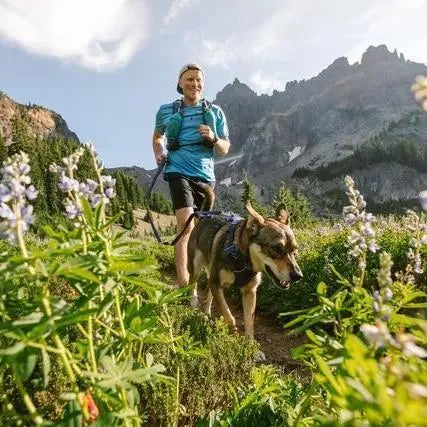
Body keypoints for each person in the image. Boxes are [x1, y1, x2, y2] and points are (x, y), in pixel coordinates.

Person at [152, 63, 230, 287]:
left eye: (198, 80)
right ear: (180, 83)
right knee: (186, 224)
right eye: (189, 79)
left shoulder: (215, 112)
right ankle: (184, 284)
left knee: (202, 231)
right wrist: (159, 154)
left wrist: (214, 138)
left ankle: (202, 278)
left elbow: (224, 148)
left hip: (206, 175)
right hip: (178, 170)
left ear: (203, 85)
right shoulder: (166, 110)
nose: (194, 83)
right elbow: (157, 137)